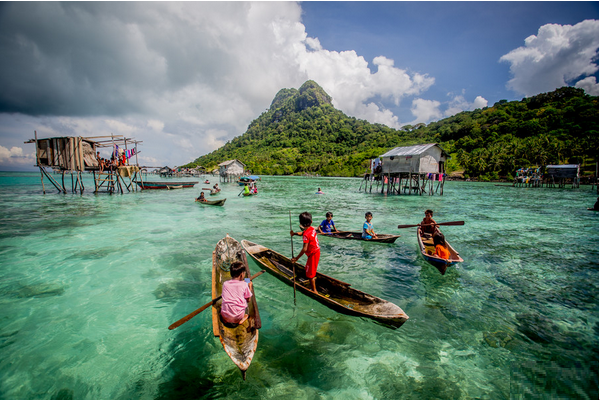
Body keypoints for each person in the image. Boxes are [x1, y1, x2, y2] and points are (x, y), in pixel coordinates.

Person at [290, 212, 321, 294]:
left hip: (313, 254)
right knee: (308, 269)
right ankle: (310, 277)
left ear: (301, 224)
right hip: (315, 252)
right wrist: (294, 234)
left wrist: (296, 258)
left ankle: (314, 291)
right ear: (311, 222)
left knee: (310, 275)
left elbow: (304, 249)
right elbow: (303, 233)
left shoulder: (306, 234)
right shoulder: (312, 229)